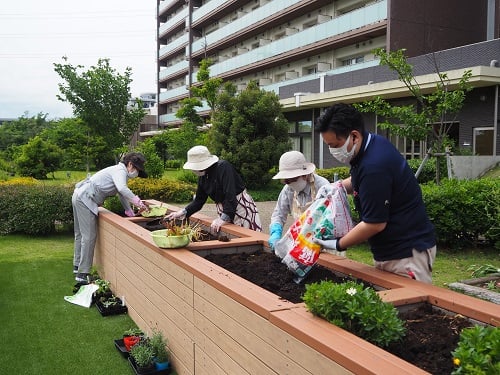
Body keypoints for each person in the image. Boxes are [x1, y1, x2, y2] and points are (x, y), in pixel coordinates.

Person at [313, 103, 436, 283]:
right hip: (394, 249)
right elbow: (360, 181)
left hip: (405, 253)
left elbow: (374, 224)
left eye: (335, 145)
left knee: (405, 306)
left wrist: (337, 243)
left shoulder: (374, 166)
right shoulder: (371, 145)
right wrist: (337, 186)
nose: (333, 151)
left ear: (354, 136)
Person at [72, 152, 148, 284]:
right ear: (130, 164)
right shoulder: (120, 171)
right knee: (89, 237)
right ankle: (82, 274)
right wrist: (139, 203)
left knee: (80, 234)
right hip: (85, 198)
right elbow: (123, 189)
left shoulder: (118, 171)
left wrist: (130, 211)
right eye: (137, 169)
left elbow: (121, 194)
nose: (136, 174)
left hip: (79, 195)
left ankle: (77, 265)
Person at [164, 145, 262, 232]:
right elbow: (199, 200)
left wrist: (223, 218)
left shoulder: (223, 167)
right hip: (224, 208)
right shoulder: (203, 176)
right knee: (229, 234)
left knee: (247, 233)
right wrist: (183, 212)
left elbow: (230, 195)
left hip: (240, 205)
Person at [268, 151, 329, 250]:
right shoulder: (288, 190)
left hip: (325, 244)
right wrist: (275, 232)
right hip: (302, 243)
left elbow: (331, 219)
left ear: (305, 175)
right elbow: (279, 213)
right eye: (286, 180)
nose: (290, 183)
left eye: (293, 179)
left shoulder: (322, 187)